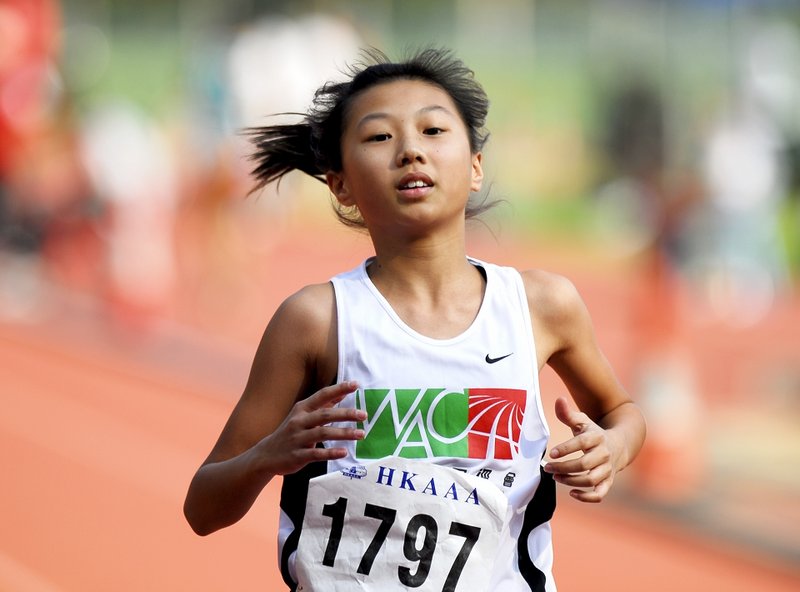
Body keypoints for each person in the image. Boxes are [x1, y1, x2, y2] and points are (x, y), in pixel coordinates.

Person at [184, 48, 646, 592]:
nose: (410, 150)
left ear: (475, 167)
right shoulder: (316, 320)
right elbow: (203, 509)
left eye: (433, 130)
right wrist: (268, 455)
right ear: (340, 185)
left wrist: (612, 449)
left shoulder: (540, 306)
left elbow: (621, 413)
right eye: (380, 136)